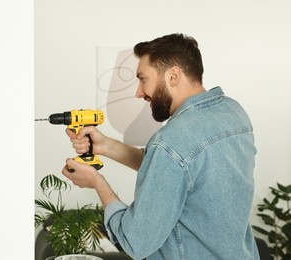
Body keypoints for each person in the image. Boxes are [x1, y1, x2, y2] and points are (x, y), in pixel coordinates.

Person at [61, 33, 259, 260]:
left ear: (173, 75)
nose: (138, 93)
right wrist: (105, 145)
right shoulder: (233, 112)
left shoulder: (171, 141)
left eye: (143, 79)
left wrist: (97, 182)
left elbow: (135, 242)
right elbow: (182, 169)